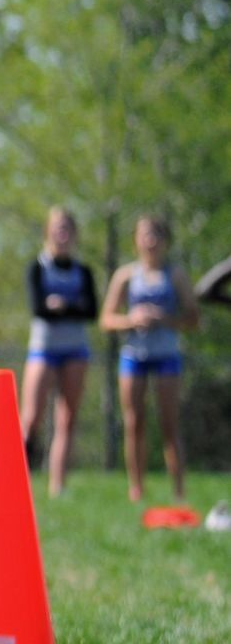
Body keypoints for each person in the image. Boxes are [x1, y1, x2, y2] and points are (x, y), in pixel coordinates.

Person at [101, 214, 200, 503]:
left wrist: (165, 319)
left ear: (165, 241)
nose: (151, 241)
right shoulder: (126, 276)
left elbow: (193, 318)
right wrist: (131, 320)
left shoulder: (176, 276)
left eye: (156, 234)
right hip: (134, 356)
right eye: (145, 234)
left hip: (167, 356)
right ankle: (136, 489)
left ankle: (179, 492)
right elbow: (106, 319)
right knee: (134, 422)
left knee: (169, 423)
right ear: (136, 240)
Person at [18, 207, 98, 498]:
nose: (62, 233)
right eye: (57, 227)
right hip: (43, 350)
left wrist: (62, 306)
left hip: (75, 351)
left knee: (67, 419)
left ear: (74, 234)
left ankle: (57, 486)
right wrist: (69, 307)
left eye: (67, 228)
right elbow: (39, 308)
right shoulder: (37, 268)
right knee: (31, 418)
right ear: (47, 232)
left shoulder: (83, 272)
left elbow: (91, 311)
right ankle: (20, 479)